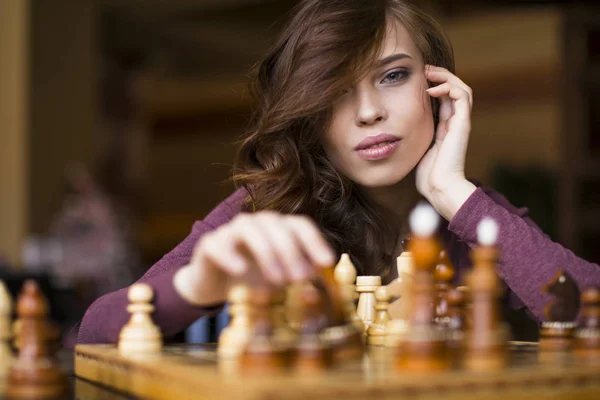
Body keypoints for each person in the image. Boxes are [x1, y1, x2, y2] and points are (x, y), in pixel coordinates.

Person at [77, 0, 600, 344]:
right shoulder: (267, 209)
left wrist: (452, 193)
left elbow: (589, 310)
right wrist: (198, 283)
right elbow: (94, 334)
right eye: (334, 92)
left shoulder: (473, 215)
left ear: (438, 87)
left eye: (393, 75)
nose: (368, 111)